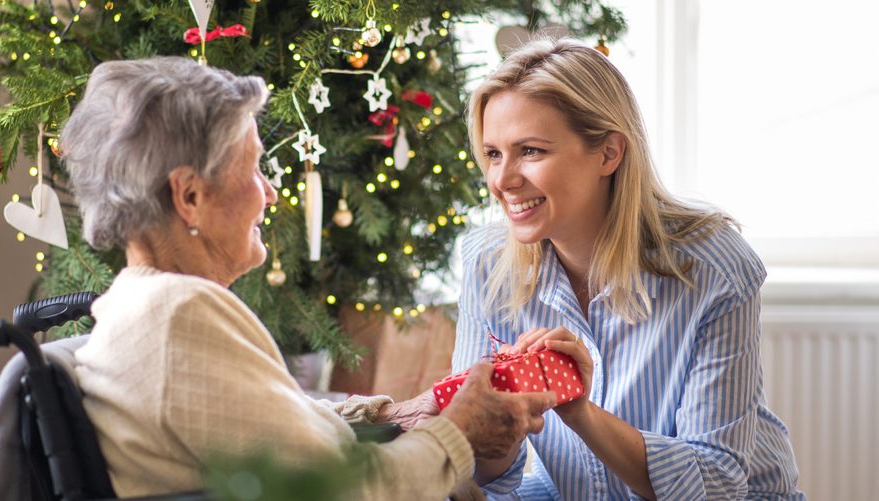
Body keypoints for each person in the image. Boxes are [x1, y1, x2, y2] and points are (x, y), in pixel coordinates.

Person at [58, 56, 557, 500]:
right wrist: (459, 432)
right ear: (189, 196)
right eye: (253, 170)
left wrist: (395, 415)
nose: (269, 194)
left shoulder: (139, 306)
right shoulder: (177, 315)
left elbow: (275, 430)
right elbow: (345, 490)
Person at [453, 39, 804, 500]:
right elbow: (488, 472)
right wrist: (487, 428)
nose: (502, 180)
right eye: (494, 154)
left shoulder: (714, 268)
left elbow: (717, 483)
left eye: (531, 151)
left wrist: (581, 411)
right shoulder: (488, 265)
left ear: (609, 154)